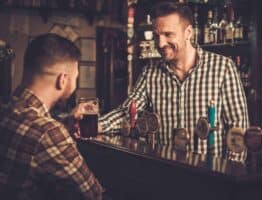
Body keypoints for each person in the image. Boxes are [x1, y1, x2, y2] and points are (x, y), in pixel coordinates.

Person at [99, 2, 249, 162]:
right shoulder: (151, 72)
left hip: (210, 175)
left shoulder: (222, 68)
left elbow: (238, 129)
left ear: (188, 32)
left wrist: (229, 175)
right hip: (167, 173)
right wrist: (97, 124)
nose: (161, 43)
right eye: (157, 35)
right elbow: (127, 113)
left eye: (168, 34)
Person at [0, 33, 104, 199]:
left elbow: (30, 127)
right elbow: (93, 195)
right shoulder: (49, 133)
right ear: (62, 80)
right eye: (75, 78)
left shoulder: (6, 108)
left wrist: (65, 122)